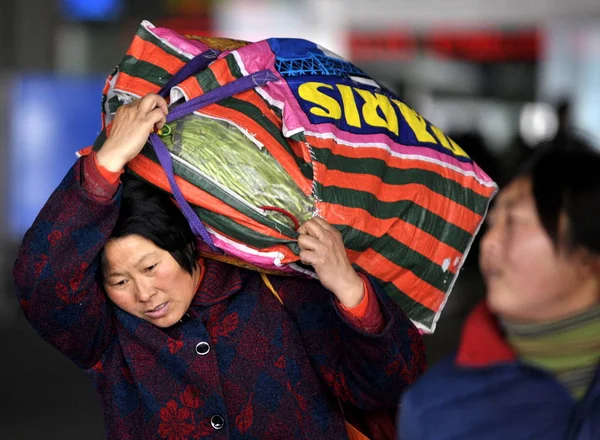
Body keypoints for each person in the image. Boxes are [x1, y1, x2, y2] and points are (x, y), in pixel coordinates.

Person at [13, 93, 425, 440]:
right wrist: (106, 162)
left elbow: (391, 385)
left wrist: (351, 291)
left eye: (151, 267)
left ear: (188, 242)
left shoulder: (278, 290)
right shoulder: (108, 333)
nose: (142, 294)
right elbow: (40, 283)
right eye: (119, 280)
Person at [399, 136, 600, 440]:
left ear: (588, 255)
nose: (489, 243)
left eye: (514, 222)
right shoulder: (437, 411)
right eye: (492, 224)